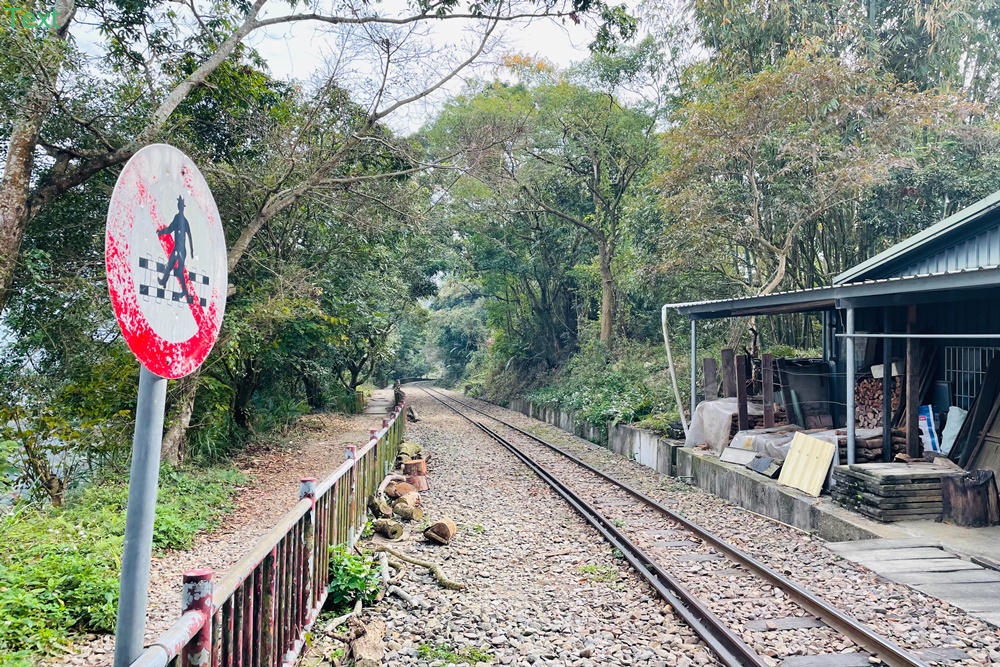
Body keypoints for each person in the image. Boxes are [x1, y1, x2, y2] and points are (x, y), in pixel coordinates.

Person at [158, 195, 195, 301]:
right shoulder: (179, 218)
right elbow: (171, 229)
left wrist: (192, 250)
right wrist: (161, 232)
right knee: (173, 267)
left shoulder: (181, 219)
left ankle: (181, 289)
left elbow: (188, 235)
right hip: (178, 248)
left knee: (175, 268)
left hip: (180, 249)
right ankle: (165, 282)